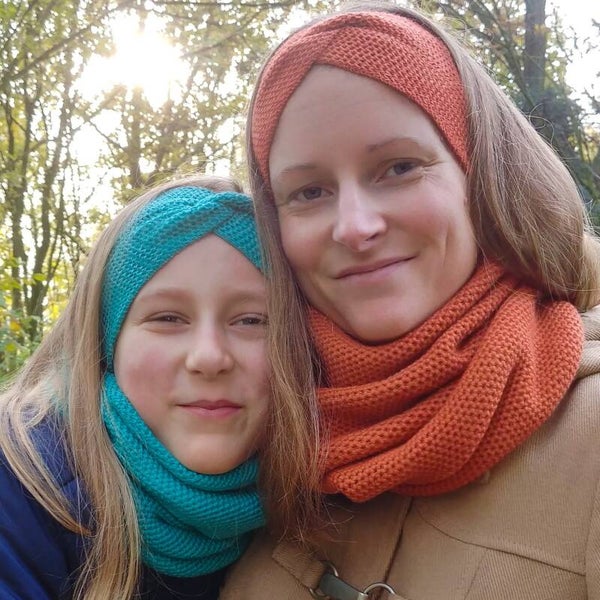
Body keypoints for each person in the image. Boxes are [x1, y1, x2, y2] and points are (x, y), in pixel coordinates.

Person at [220, 2, 600, 599]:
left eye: (398, 167)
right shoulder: (254, 424)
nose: (355, 226)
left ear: (480, 176)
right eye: (309, 192)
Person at [0, 174, 286, 599]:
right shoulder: (21, 479)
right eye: (168, 318)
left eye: (251, 320)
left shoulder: (329, 497)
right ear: (106, 343)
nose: (209, 357)